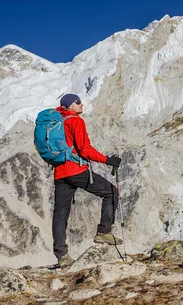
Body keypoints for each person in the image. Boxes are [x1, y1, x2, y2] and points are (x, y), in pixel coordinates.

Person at [52, 93, 122, 268]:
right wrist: (107, 160)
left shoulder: (56, 121)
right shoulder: (75, 121)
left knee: (60, 214)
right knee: (111, 192)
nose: (81, 104)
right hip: (76, 170)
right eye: (78, 102)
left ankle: (62, 256)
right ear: (69, 106)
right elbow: (85, 150)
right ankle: (104, 232)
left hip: (60, 173)